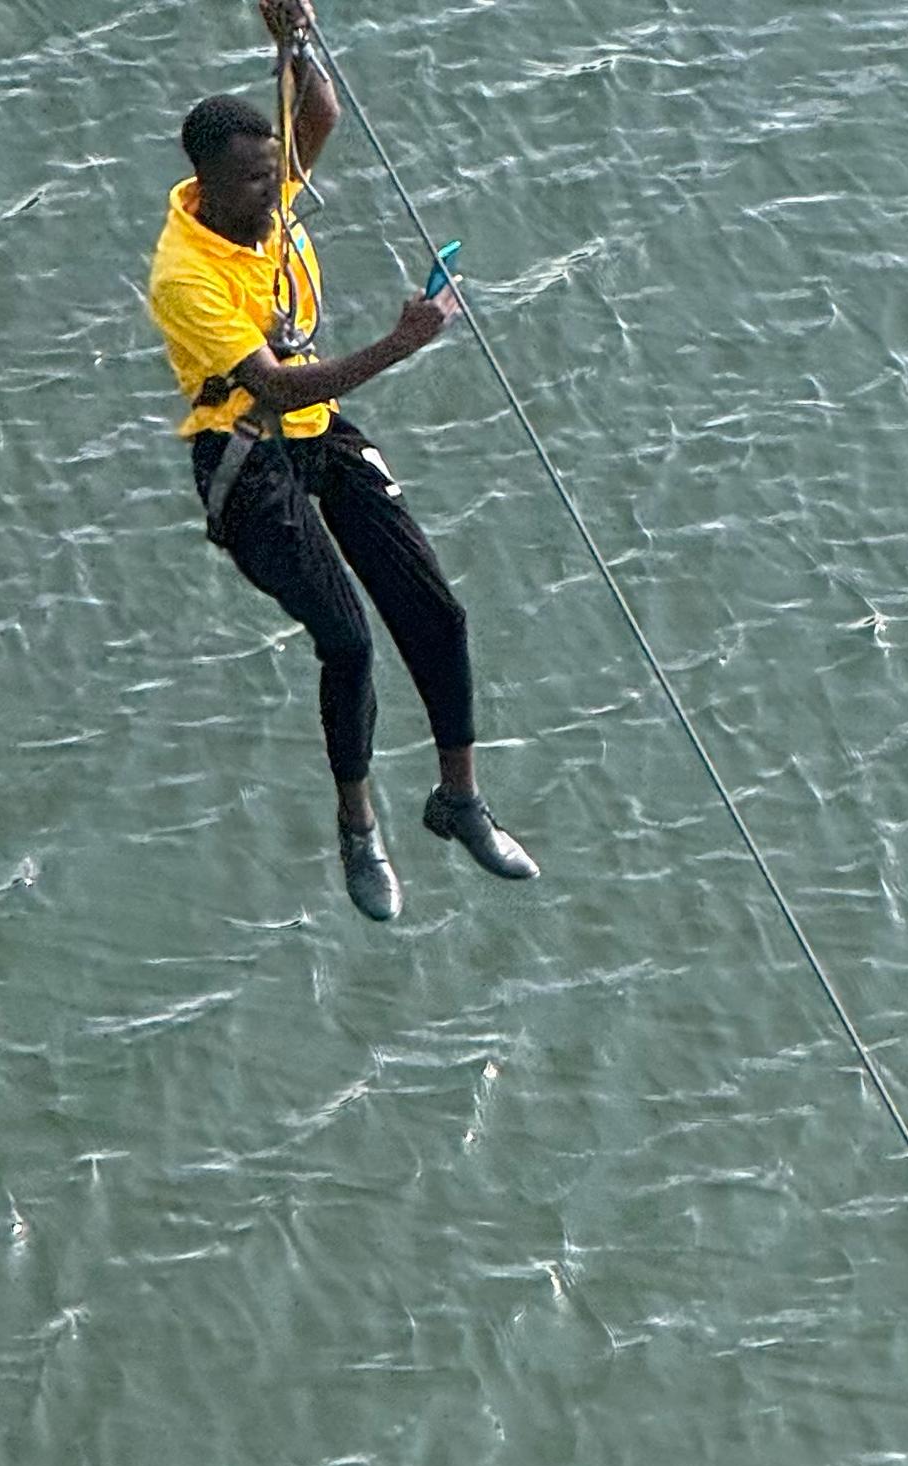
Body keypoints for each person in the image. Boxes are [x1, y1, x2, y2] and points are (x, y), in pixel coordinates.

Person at [146, 0, 536, 922]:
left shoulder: (265, 191)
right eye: (255, 179)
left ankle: (458, 800)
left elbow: (315, 115)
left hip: (322, 433)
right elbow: (273, 389)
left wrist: (292, 39)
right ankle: (359, 826)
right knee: (349, 641)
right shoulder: (185, 274)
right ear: (207, 185)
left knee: (435, 613)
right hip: (245, 457)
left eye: (276, 171)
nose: (277, 187)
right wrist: (404, 341)